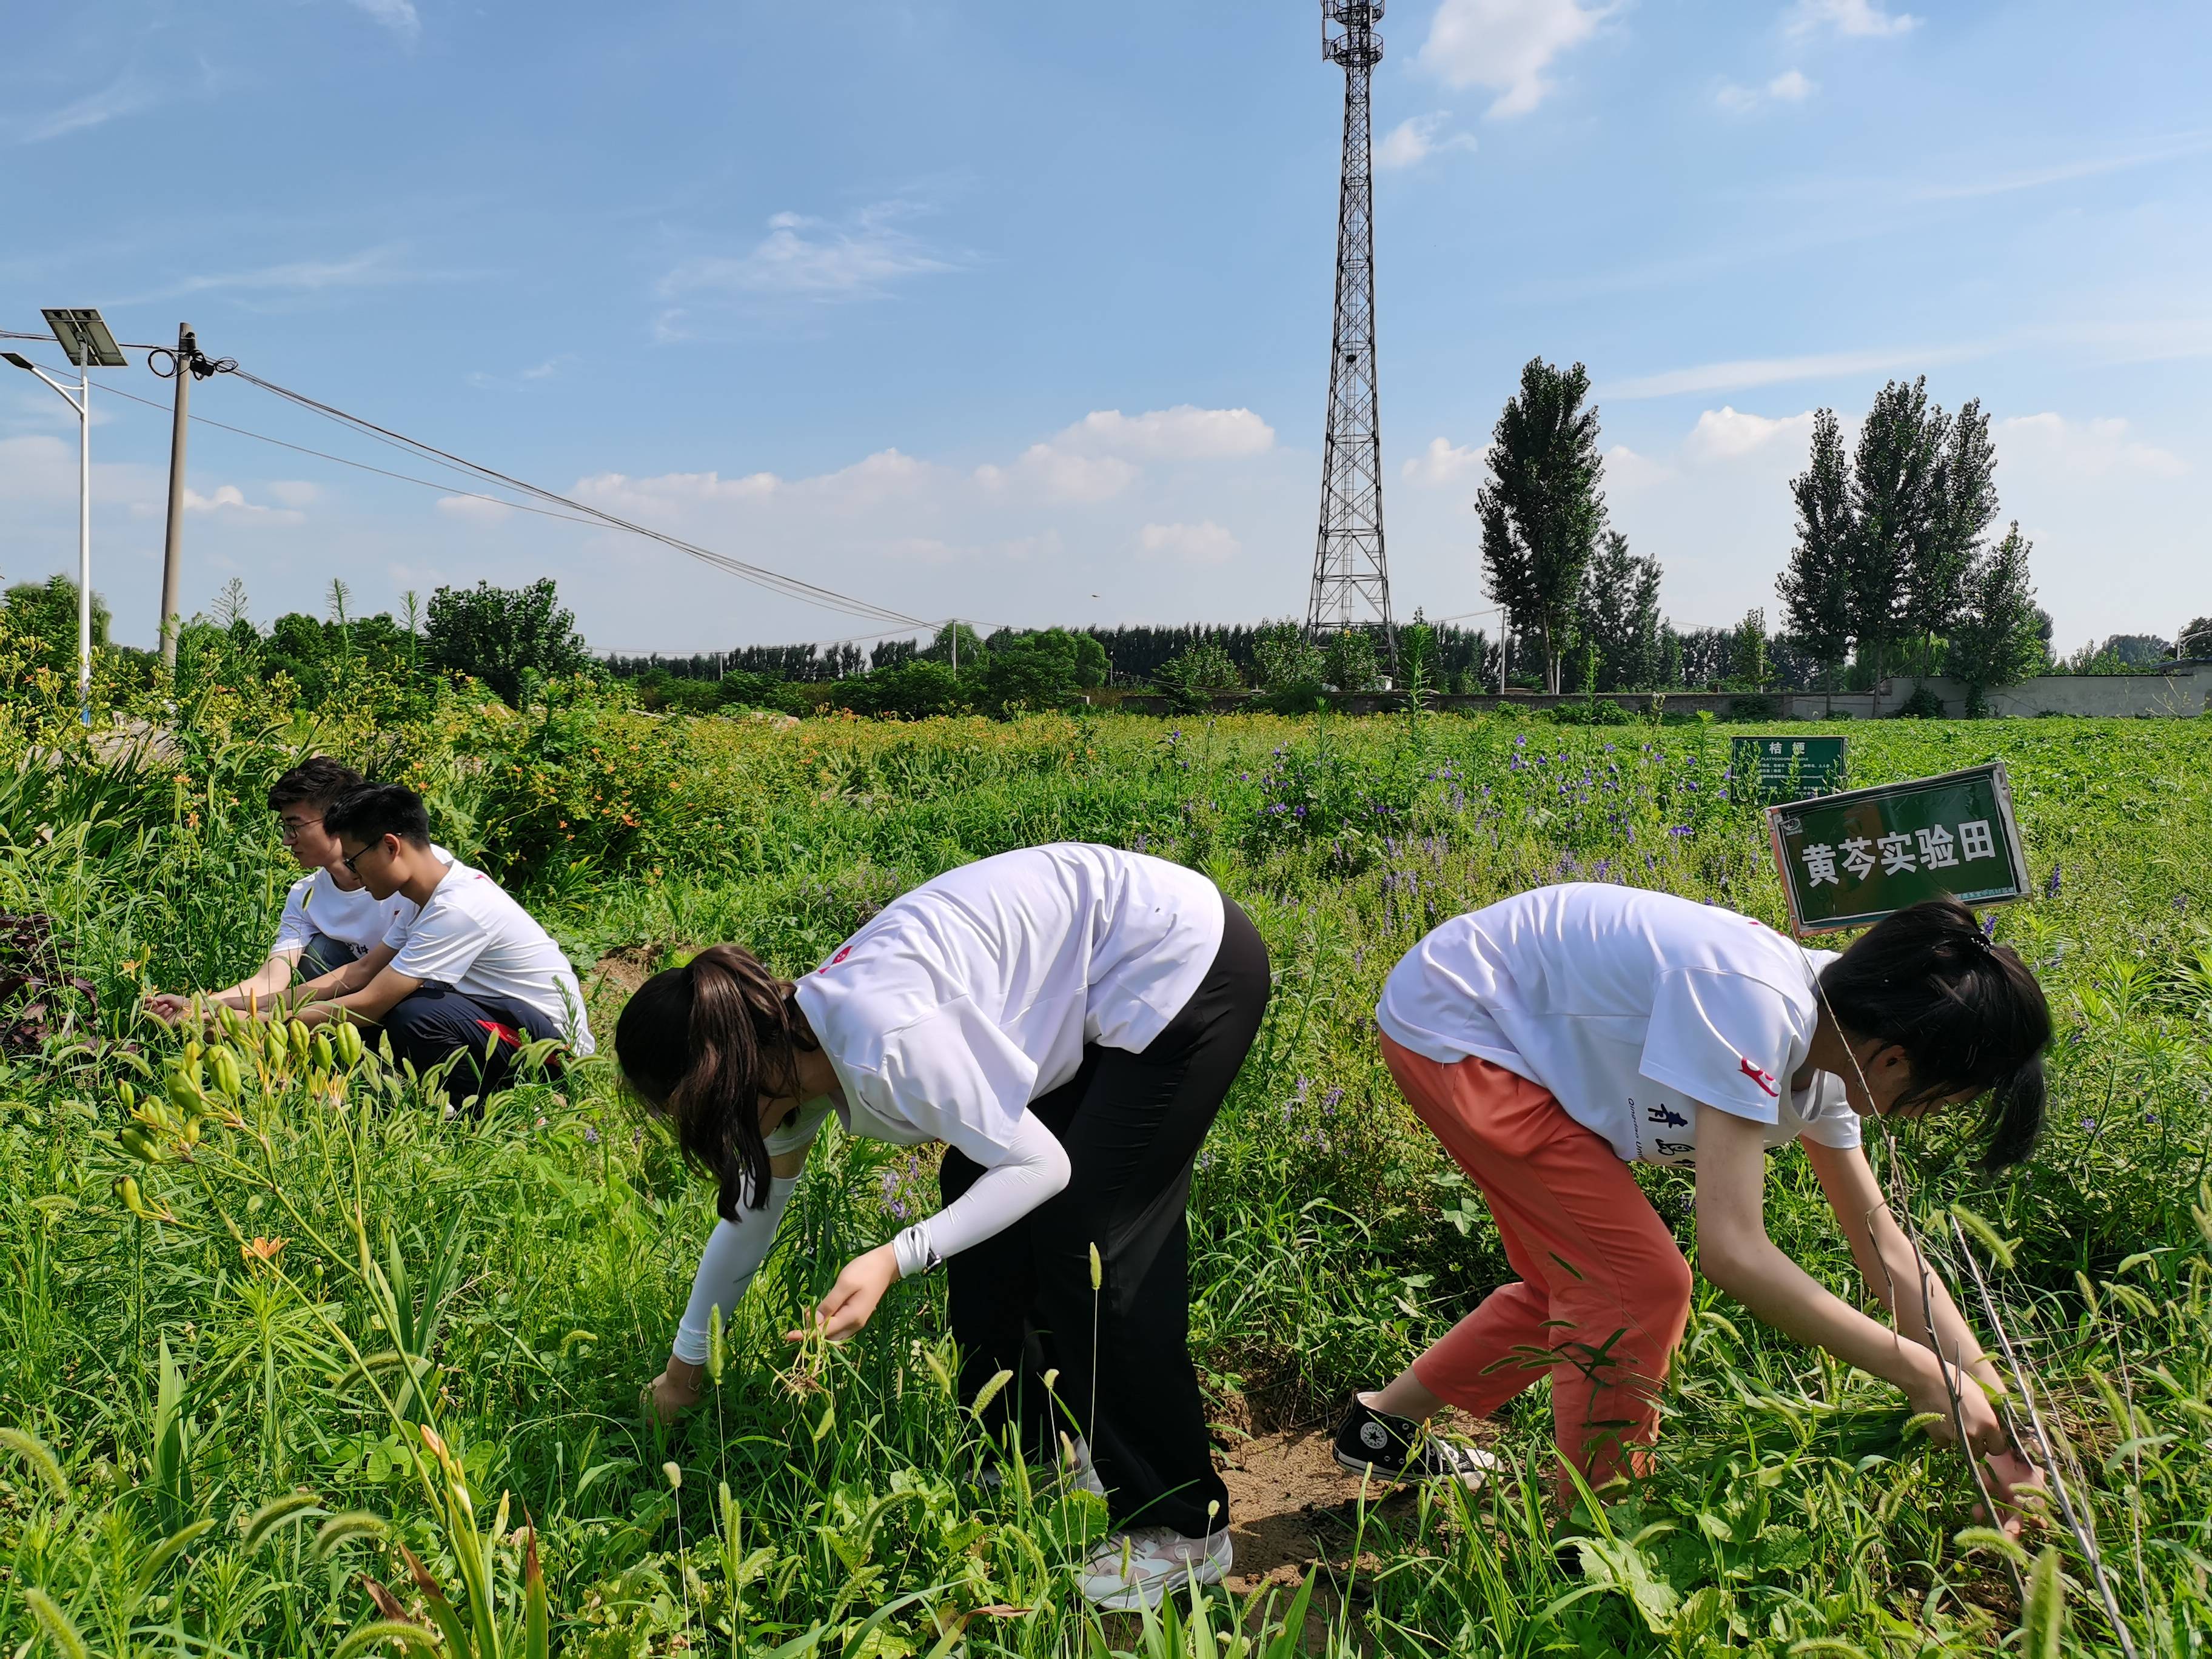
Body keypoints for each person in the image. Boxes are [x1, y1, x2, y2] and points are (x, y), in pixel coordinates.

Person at [615, 843, 1270, 1611]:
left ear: (724, 1086)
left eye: (697, 1119)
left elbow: (1043, 1169)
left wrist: (897, 1256)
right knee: (972, 1185)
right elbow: (748, 1218)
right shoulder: (784, 1060)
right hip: (1092, 978)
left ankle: (1185, 1525)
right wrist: (684, 1372)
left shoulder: (886, 1040)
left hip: (1181, 962)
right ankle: (1031, 1453)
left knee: (1091, 1233)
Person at [1333, 884, 2049, 1528]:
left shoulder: (1840, 1040)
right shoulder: (1753, 1006)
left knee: (1586, 1279)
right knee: (1635, 1285)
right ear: (1896, 1061)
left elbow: (1882, 1246)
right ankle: (1598, 1536)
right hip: (1464, 1027)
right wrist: (1922, 1374)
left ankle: (1383, 1429)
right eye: (1949, 1099)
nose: (1928, 1117)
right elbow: (1732, 1250)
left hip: (1513, 1031)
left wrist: (1993, 1402)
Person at [277, 782, 593, 1098]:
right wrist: (254, 1006)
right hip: (503, 1022)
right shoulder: (424, 897)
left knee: (416, 1016)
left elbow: (371, 1004)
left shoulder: (458, 908)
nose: (353, 874)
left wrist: (269, 1023)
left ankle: (485, 1111)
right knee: (403, 1005)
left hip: (552, 1052)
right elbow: (364, 970)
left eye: (353, 860)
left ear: (390, 847)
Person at [142, 757, 429, 1022]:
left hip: (420, 996)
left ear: (340, 818)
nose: (286, 841)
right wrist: (200, 1006)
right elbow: (270, 980)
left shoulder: (406, 874)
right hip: (349, 1001)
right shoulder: (305, 894)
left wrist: (249, 1022)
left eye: (295, 827)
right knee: (322, 952)